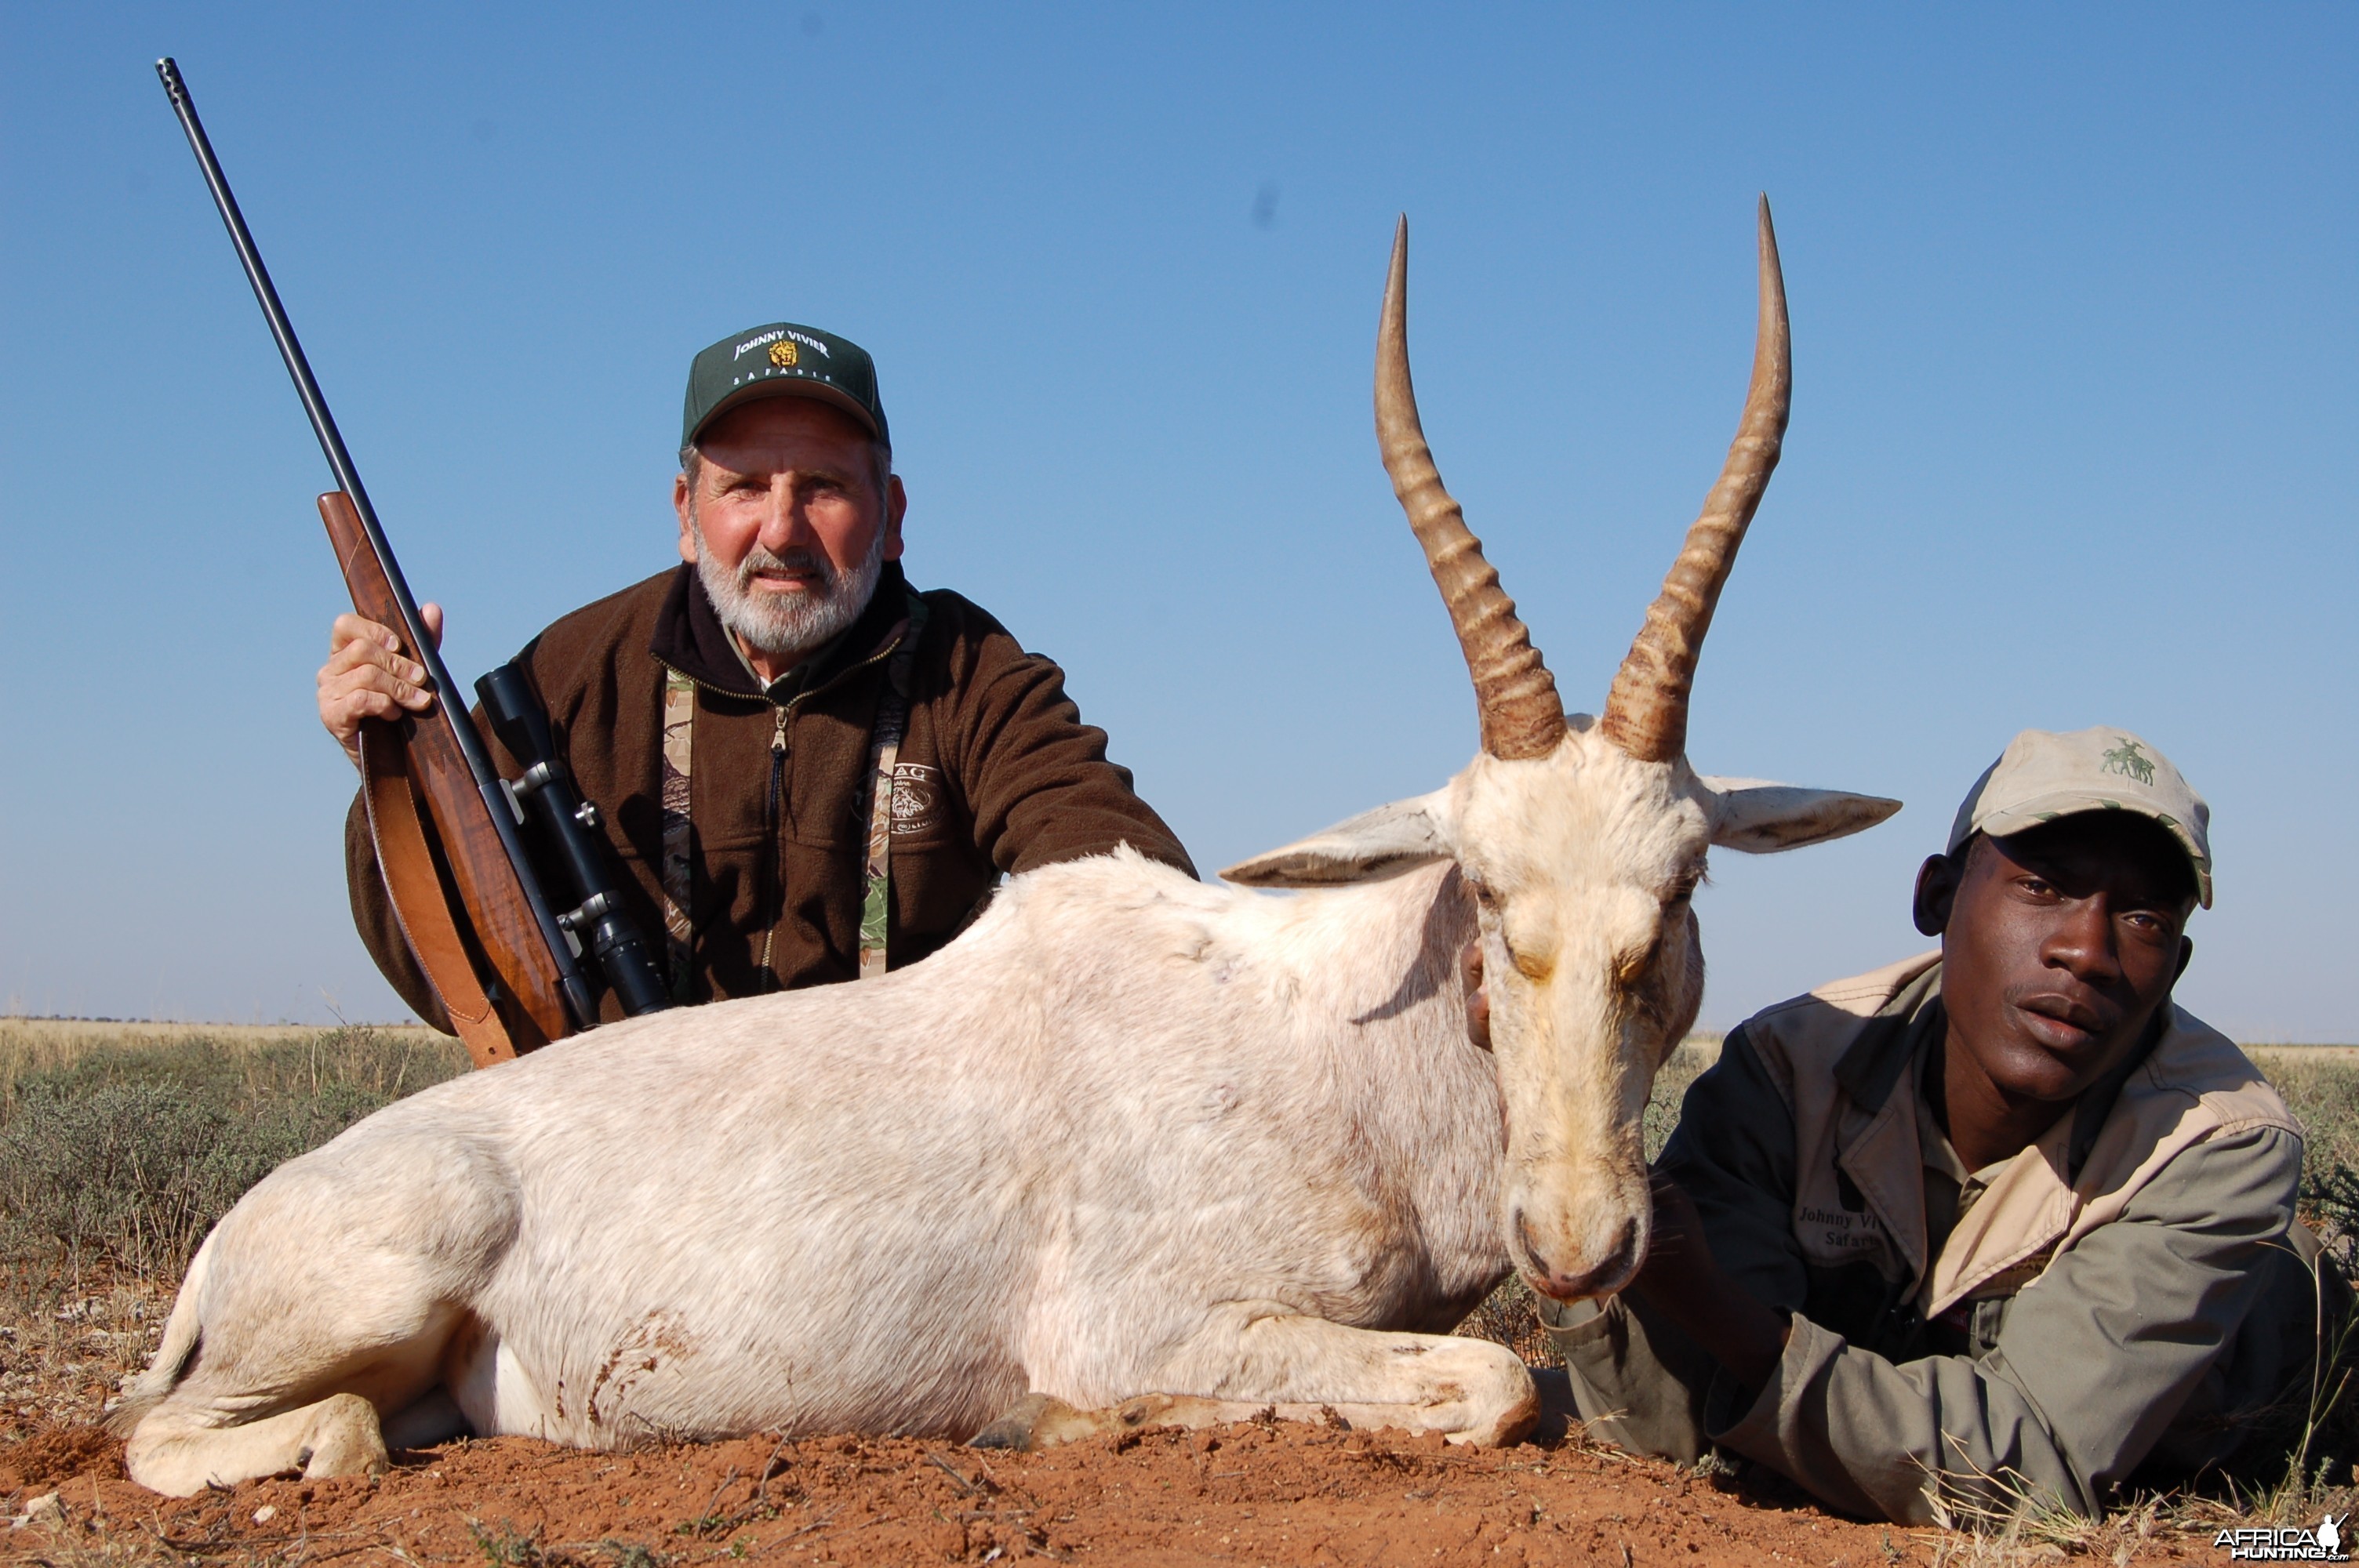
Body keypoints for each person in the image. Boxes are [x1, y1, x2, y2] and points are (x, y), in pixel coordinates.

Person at [317, 321, 1194, 1029]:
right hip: (638, 1156)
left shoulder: (970, 673)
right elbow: (456, 979)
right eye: (743, 487)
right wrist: (393, 768)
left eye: (822, 487)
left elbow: (1126, 880)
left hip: (897, 1162)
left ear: (888, 515)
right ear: (686, 516)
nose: (780, 529)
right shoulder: (571, 676)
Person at [1540, 727, 2318, 1523]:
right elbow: (1667, 1419)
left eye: (2144, 919)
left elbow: (2025, 1465)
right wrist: (1552, 1106)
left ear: (2176, 968)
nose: (2086, 951)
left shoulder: (2217, 1143)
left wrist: (1724, 1316)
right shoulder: (1788, 1068)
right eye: (2043, 886)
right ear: (1935, 898)